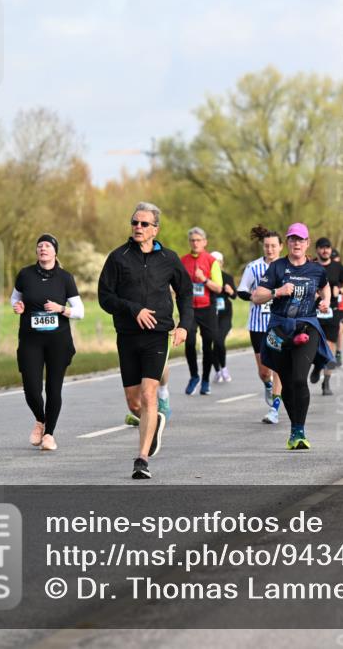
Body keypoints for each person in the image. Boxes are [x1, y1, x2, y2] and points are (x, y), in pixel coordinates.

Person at [98, 202, 192, 480]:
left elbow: (185, 293)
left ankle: (141, 459)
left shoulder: (169, 259)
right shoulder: (118, 257)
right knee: (133, 401)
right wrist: (133, 309)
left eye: (143, 224)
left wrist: (184, 325)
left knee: (149, 395)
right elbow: (105, 297)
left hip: (158, 335)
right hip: (127, 335)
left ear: (155, 229)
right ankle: (155, 422)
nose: (137, 227)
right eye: (134, 223)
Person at [251, 223, 333, 450]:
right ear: (288, 243)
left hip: (307, 325)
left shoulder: (316, 269)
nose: (297, 244)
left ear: (307, 243)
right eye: (293, 240)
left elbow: (325, 287)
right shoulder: (277, 268)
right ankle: (294, 430)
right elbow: (257, 296)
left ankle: (300, 430)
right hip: (279, 329)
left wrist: (325, 300)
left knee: (298, 378)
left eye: (301, 240)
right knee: (286, 382)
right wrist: (277, 292)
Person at [11, 234, 84, 451]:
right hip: (30, 341)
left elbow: (80, 312)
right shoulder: (25, 275)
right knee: (31, 389)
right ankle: (40, 420)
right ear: (37, 252)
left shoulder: (65, 278)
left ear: (55, 252)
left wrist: (61, 309)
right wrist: (18, 307)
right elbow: (15, 298)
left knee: (54, 389)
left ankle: (49, 434)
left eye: (48, 246)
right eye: (40, 246)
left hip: (58, 342)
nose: (43, 248)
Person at [236, 225, 285, 424]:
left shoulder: (287, 267)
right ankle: (267, 385)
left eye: (274, 246)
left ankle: (274, 408)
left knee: (278, 366)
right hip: (258, 324)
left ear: (281, 247)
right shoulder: (253, 267)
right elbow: (241, 290)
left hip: (279, 323)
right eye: (267, 246)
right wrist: (254, 297)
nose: (270, 250)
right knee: (264, 371)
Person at [181, 227, 223, 396]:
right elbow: (177, 284)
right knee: (189, 342)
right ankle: (194, 376)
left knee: (208, 345)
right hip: (189, 308)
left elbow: (219, 288)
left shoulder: (211, 261)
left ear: (205, 242)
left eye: (198, 240)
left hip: (207, 308)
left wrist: (204, 279)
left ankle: (205, 379)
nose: (195, 243)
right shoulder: (183, 260)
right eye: (192, 240)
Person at [311, 237, 343, 396]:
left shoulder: (338, 267)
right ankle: (317, 365)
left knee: (330, 346)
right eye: (321, 247)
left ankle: (326, 383)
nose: (325, 250)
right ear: (317, 250)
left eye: (327, 247)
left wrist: (340, 291)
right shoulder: (311, 266)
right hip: (314, 310)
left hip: (332, 310)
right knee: (314, 343)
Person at [210, 251, 236, 383]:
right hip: (210, 315)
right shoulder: (206, 279)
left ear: (221, 263)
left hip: (225, 315)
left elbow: (235, 296)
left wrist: (230, 291)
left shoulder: (227, 277)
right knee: (213, 344)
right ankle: (217, 371)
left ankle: (224, 368)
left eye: (217, 262)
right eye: (212, 262)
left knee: (219, 341)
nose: (215, 265)